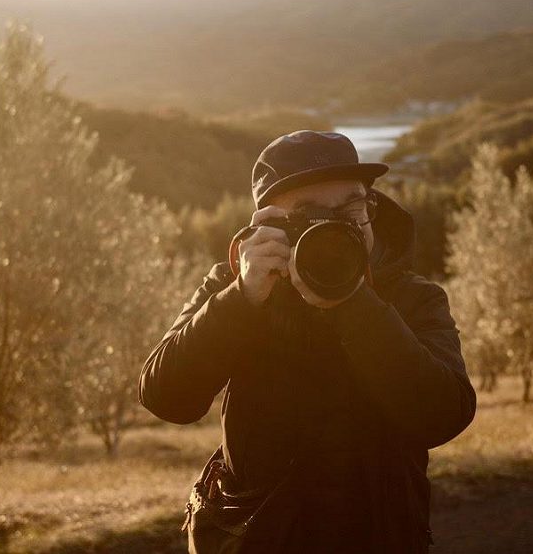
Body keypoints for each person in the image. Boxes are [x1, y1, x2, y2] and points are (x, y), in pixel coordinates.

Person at [138, 130, 477, 553]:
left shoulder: (413, 297)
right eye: (309, 214)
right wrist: (242, 298)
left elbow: (445, 414)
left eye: (352, 206)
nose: (338, 225)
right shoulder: (238, 289)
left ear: (370, 206)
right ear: (268, 225)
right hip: (260, 541)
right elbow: (165, 396)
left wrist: (354, 303)